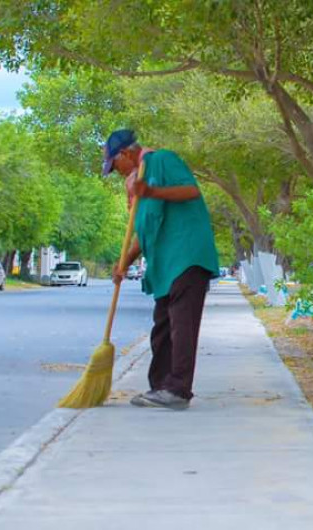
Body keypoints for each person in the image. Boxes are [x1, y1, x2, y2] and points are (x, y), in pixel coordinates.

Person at [103, 129, 219, 410]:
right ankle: (160, 388)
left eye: (114, 165)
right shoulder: (135, 183)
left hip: (186, 256)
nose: (116, 172)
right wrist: (124, 264)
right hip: (164, 265)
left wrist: (151, 191)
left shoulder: (162, 160)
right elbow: (144, 232)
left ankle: (178, 391)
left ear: (126, 154)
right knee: (162, 327)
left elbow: (190, 191)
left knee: (182, 325)